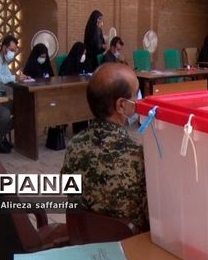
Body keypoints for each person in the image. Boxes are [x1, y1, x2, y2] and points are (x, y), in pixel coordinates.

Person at [61, 63, 149, 231]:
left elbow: (71, 196)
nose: (138, 100)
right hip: (130, 243)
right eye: (136, 93)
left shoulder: (73, 146)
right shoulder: (137, 156)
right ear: (121, 105)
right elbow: (153, 217)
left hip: (84, 237)